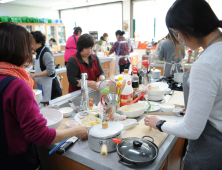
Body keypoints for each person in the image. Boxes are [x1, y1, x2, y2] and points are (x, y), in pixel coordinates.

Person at [145, 0, 222, 169]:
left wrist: (159, 123)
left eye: (178, 32)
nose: (179, 39)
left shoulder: (206, 64)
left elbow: (191, 131)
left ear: (192, 27)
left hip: (210, 153)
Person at [0, 22, 88, 170]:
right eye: (28, 47)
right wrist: (75, 131)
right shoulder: (17, 86)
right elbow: (39, 135)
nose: (32, 52)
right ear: (17, 49)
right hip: (16, 160)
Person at [30, 31, 62, 104]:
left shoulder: (46, 53)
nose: (31, 45)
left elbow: (50, 71)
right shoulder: (38, 52)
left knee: (52, 108)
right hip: (42, 85)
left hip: (51, 87)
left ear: (40, 42)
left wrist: (35, 75)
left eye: (32, 42)